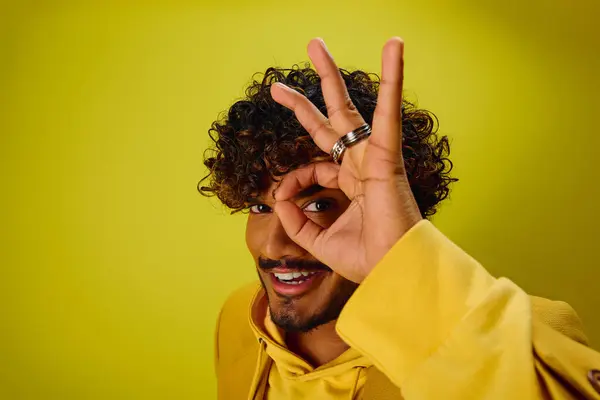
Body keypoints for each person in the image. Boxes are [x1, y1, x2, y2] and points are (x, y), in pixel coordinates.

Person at [199, 37, 600, 399]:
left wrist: (401, 260)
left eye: (318, 204)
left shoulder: (524, 333)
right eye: (259, 207)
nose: (274, 245)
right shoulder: (241, 317)